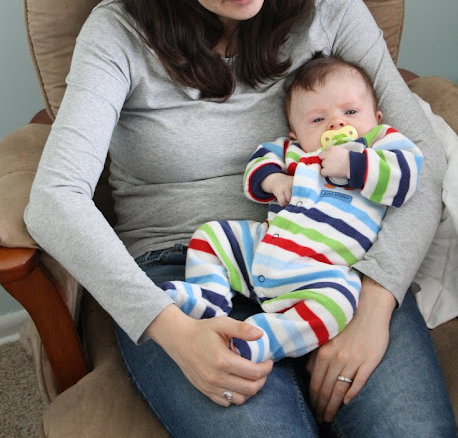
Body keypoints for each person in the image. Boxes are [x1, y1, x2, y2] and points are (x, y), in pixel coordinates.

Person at [24, 0, 456, 438]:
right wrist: (172, 331)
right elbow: (54, 199)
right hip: (187, 266)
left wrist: (376, 302)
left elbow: (423, 153)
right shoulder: (116, 34)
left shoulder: (329, 7)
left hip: (333, 254)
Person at [162, 55, 424, 362]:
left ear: (377, 118)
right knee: (212, 235)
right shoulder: (292, 151)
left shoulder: (380, 145)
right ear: (295, 133)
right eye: (317, 120)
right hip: (263, 249)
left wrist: (352, 164)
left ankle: (265, 338)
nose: (336, 123)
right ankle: (210, 296)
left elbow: (406, 177)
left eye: (351, 112)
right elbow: (258, 164)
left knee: (339, 303)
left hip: (321, 271)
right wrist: (274, 180)